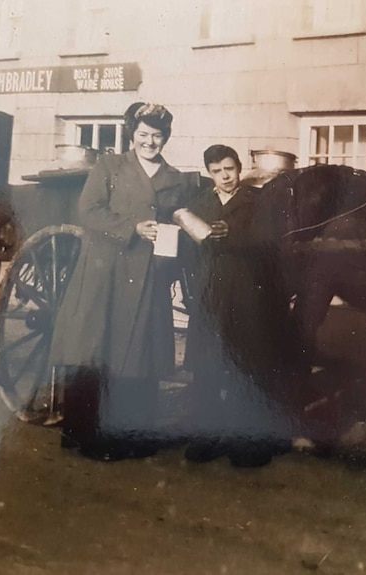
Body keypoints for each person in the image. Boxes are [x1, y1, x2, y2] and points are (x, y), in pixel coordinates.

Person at [49, 103, 193, 461]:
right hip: (107, 270)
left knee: (138, 351)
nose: (149, 142)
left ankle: (129, 432)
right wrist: (131, 228)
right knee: (98, 347)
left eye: (156, 136)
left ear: (166, 138)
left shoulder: (174, 177)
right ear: (133, 134)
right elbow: (89, 209)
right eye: (143, 134)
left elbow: (175, 222)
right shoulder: (110, 166)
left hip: (147, 275)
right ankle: (85, 431)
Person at [177, 145, 293, 467]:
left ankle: (251, 444)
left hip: (248, 297)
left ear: (239, 168)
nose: (225, 176)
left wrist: (232, 235)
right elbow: (189, 248)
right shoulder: (200, 204)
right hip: (210, 295)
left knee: (248, 369)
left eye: (229, 168)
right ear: (209, 174)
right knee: (208, 368)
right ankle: (208, 437)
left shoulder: (258, 202)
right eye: (217, 171)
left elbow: (271, 242)